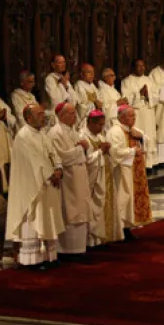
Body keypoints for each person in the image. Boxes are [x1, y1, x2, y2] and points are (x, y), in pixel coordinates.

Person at [5, 105, 64, 269]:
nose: (43, 117)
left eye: (43, 114)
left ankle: (50, 256)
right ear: (28, 118)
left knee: (47, 218)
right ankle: (31, 260)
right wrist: (51, 174)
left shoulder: (42, 134)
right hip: (31, 186)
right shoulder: (23, 136)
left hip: (47, 183)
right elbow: (34, 161)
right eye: (39, 114)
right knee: (34, 219)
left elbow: (53, 154)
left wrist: (59, 168)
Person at [48, 102, 91, 259]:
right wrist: (81, 148)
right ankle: (67, 250)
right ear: (62, 115)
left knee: (80, 210)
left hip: (78, 175)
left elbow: (79, 151)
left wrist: (84, 148)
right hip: (68, 178)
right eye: (72, 113)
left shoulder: (72, 130)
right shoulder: (55, 132)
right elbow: (62, 156)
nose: (75, 116)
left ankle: (79, 249)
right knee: (70, 212)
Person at [106, 105, 152, 239]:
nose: (134, 118)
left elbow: (147, 140)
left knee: (131, 200)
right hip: (122, 171)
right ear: (122, 117)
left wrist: (141, 137)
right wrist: (132, 151)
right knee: (123, 199)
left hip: (135, 170)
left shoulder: (132, 129)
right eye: (131, 116)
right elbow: (114, 152)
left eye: (134, 115)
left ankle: (127, 228)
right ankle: (119, 229)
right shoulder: (115, 131)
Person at [81, 110, 123, 246]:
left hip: (105, 175)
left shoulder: (99, 135)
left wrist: (107, 149)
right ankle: (93, 239)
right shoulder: (83, 137)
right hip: (94, 179)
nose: (101, 128)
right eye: (99, 125)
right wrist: (101, 152)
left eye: (103, 125)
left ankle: (106, 236)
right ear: (90, 123)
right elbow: (85, 161)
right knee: (95, 207)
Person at [121, 59, 158, 169]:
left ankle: (149, 164)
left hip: (148, 112)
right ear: (133, 67)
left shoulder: (149, 80)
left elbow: (156, 97)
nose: (141, 68)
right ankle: (137, 162)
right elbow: (125, 99)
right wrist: (139, 94)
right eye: (138, 66)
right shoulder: (126, 81)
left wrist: (148, 95)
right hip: (136, 113)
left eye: (143, 66)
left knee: (149, 135)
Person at [74, 63, 100, 129]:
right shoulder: (79, 85)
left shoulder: (92, 85)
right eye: (89, 72)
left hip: (96, 116)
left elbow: (99, 99)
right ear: (82, 74)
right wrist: (94, 103)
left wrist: (99, 104)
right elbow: (81, 105)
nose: (92, 75)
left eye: (93, 72)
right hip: (85, 119)